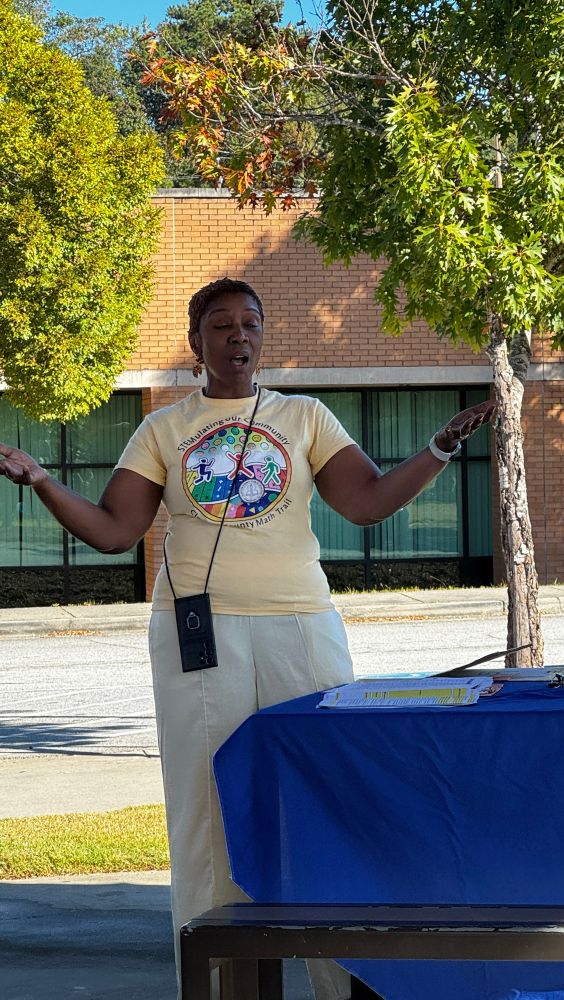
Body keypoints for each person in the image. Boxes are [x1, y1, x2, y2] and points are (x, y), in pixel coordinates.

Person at [0, 276, 496, 1000]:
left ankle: (341, 985)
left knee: (327, 798)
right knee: (210, 813)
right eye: (223, 325)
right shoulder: (164, 428)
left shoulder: (305, 416)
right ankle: (223, 986)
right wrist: (44, 482)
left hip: (303, 627)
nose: (239, 336)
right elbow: (114, 529)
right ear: (196, 343)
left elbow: (364, 503)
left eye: (251, 324)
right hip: (200, 636)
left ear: (264, 337)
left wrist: (438, 449)